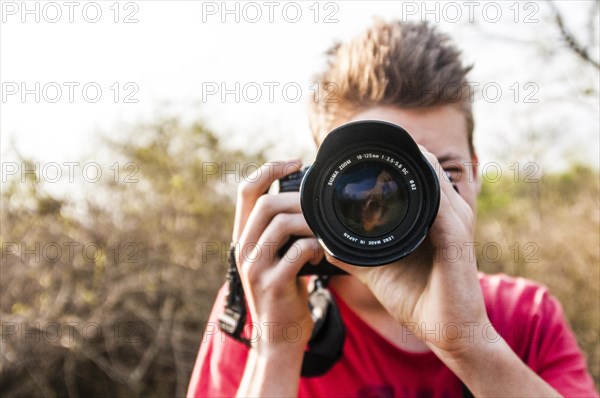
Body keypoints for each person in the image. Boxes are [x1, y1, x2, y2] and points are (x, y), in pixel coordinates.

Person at [188, 20, 598, 397]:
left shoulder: (525, 317)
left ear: (475, 173)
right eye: (367, 178)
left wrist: (470, 344)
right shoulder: (272, 298)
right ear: (317, 186)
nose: (419, 199)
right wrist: (276, 350)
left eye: (444, 173)